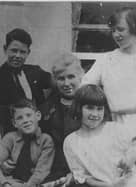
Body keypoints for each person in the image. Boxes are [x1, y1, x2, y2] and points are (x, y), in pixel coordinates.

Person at [81, 7, 136, 186]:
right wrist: (101, 105)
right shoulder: (106, 60)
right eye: (113, 30)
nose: (116, 34)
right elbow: (84, 87)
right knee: (119, 178)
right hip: (114, 128)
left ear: (135, 29)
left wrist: (117, 106)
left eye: (121, 29)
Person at [64, 84, 136, 187]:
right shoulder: (71, 142)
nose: (95, 114)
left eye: (99, 109)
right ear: (78, 108)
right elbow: (83, 178)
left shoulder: (116, 129)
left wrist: (134, 152)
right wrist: (111, 186)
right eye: (90, 108)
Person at [0, 28, 51, 135]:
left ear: (28, 53)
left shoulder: (35, 72)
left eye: (22, 52)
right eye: (14, 50)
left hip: (40, 133)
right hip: (11, 136)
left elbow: (59, 84)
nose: (18, 56)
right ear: (5, 49)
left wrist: (48, 109)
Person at [39, 53, 84, 184]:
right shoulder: (47, 107)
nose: (66, 83)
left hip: (83, 170)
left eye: (71, 77)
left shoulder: (91, 105)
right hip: (54, 170)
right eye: (61, 78)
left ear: (80, 76)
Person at [0, 99, 55, 187]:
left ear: (38, 116)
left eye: (29, 115)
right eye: (19, 118)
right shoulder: (10, 138)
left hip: (34, 184)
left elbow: (41, 171)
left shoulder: (46, 141)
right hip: (10, 183)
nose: (25, 120)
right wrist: (5, 183)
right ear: (14, 123)